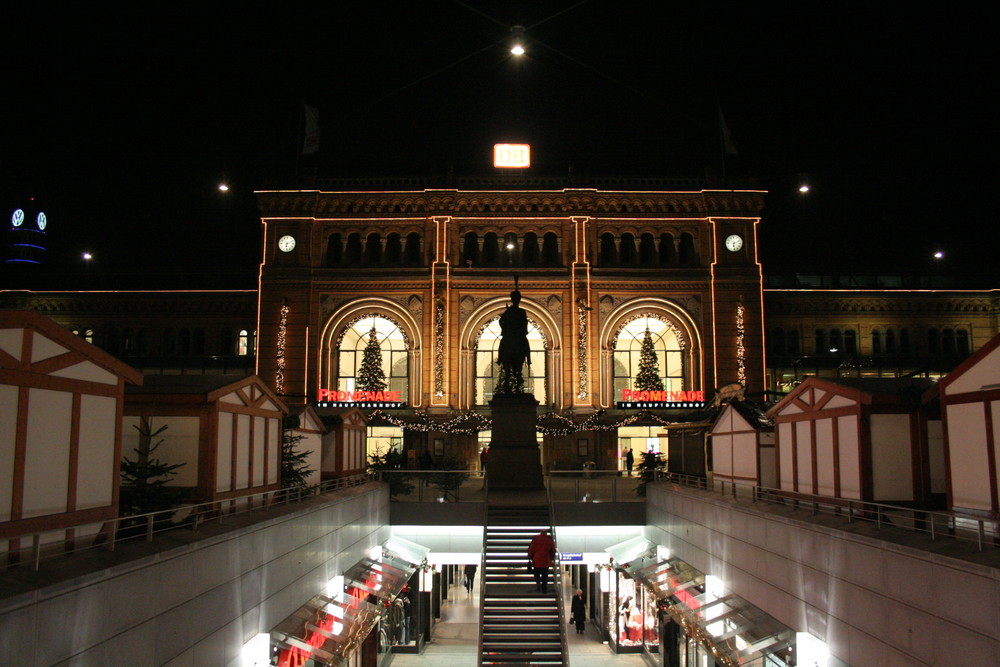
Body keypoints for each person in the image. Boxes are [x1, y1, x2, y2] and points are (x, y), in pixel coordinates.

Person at [496, 280, 530, 394]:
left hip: (514, 333)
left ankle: (527, 358)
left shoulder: (519, 311)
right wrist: (505, 329)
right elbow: (502, 321)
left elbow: (523, 322)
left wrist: (505, 329)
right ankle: (501, 357)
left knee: (522, 344)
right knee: (505, 344)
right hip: (514, 333)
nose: (516, 300)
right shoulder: (511, 311)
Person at [527, 529, 556, 593]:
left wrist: (530, 556)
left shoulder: (536, 539)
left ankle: (538, 586)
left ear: (540, 533)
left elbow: (531, 548)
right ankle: (544, 588)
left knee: (537, 574)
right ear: (546, 533)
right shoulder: (549, 540)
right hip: (546, 561)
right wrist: (551, 558)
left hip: (536, 560)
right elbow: (553, 550)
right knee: (545, 576)